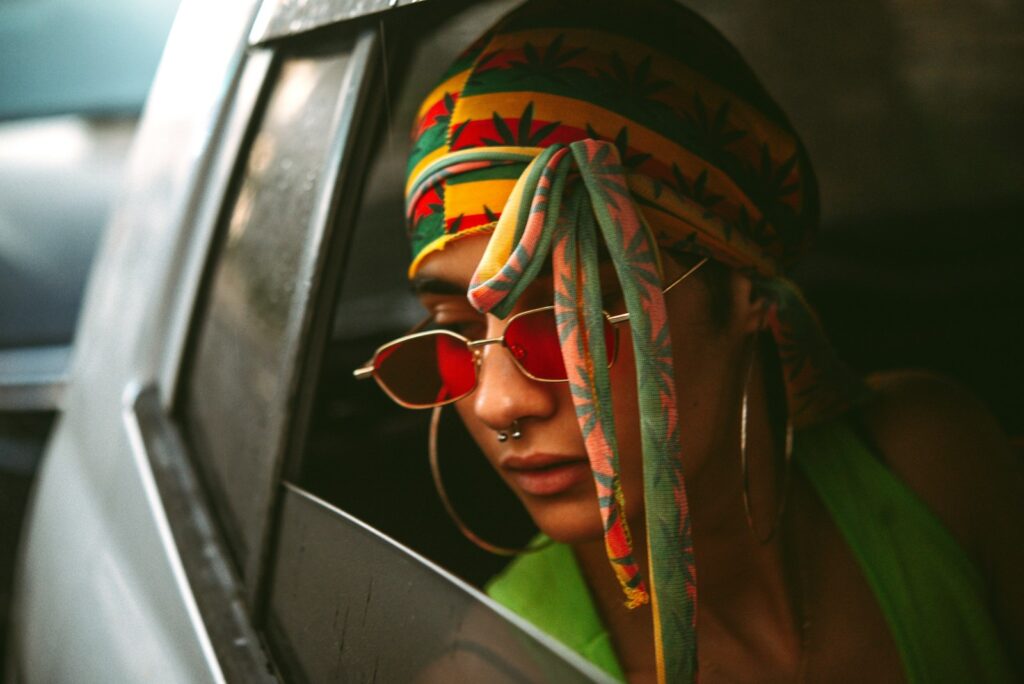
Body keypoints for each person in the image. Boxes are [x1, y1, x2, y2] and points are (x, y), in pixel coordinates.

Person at [355, 1, 1023, 681]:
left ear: (744, 295)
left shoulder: (934, 470)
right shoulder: (493, 672)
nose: (499, 403)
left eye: (576, 311)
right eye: (458, 329)